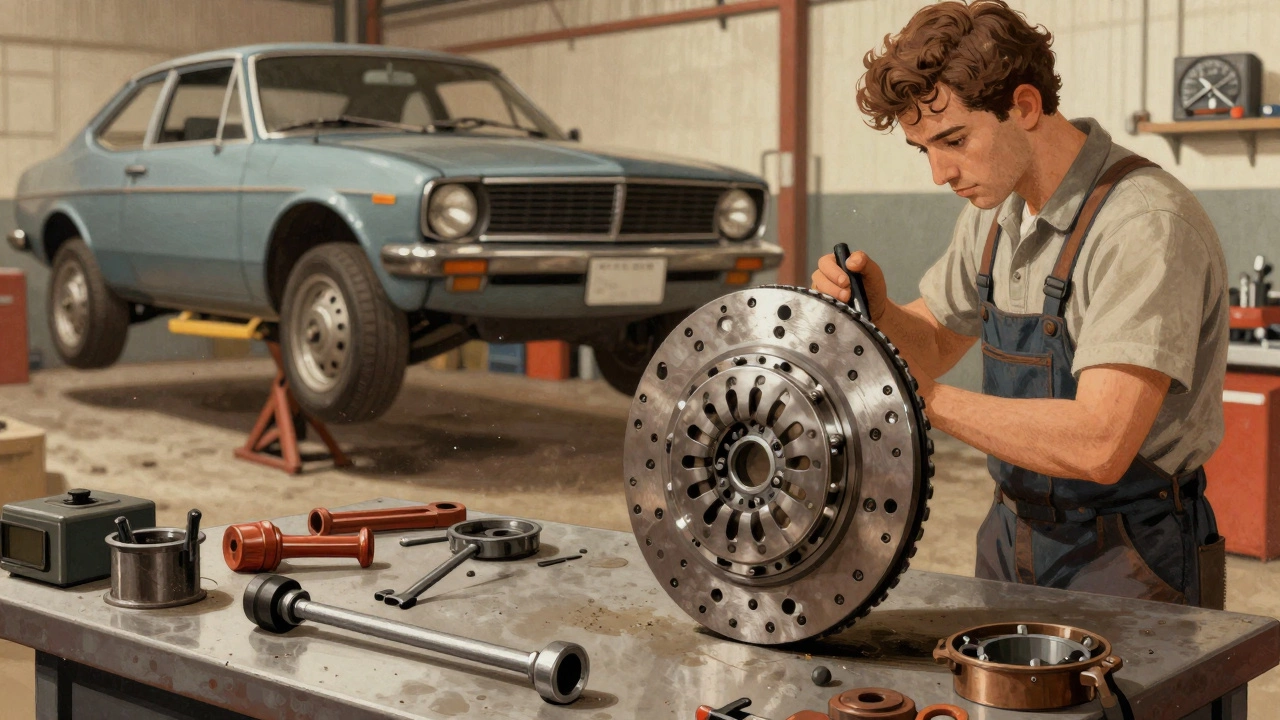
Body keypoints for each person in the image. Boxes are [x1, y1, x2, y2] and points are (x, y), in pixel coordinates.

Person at [811, 0, 1227, 608]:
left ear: (1025, 107)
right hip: (1011, 531)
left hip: (1130, 550)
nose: (939, 173)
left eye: (953, 140)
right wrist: (883, 318)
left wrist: (918, 398)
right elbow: (936, 340)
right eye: (924, 149)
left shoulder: (1142, 223)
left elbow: (1101, 443)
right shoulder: (994, 215)